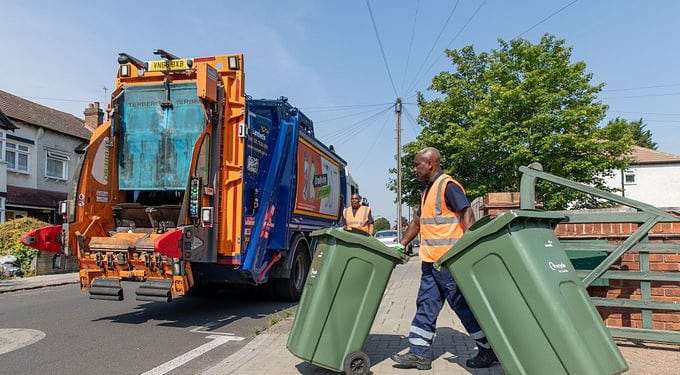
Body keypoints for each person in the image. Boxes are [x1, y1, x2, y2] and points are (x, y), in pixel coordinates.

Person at [391, 147, 498, 370]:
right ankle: (419, 353)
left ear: (431, 164)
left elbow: (467, 213)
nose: (415, 169)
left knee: (463, 308)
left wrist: (470, 250)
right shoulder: (427, 191)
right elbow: (418, 222)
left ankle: (488, 350)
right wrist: (401, 244)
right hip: (431, 263)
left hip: (449, 263)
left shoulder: (448, 186)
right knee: (426, 305)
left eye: (417, 164)